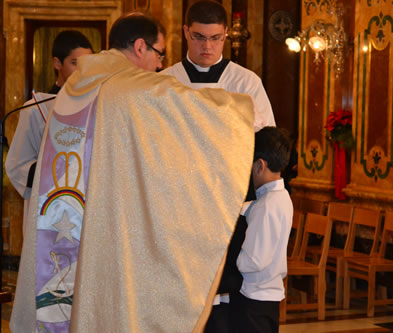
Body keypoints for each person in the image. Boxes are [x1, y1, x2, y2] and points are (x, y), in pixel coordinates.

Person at [10, 13, 255, 333]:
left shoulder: (79, 86)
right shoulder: (129, 87)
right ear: (140, 46)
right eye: (159, 54)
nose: (158, 65)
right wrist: (238, 109)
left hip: (69, 226)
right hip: (109, 229)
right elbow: (194, 112)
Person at [5, 30, 92, 235]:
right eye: (74, 62)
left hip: (85, 211)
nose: (83, 71)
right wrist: (60, 168)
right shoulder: (36, 108)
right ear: (57, 63)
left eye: (88, 64)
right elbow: (18, 166)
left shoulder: (96, 106)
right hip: (48, 210)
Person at [161, 0, 275, 132]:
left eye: (215, 37)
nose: (207, 46)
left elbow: (268, 143)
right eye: (199, 37)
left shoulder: (246, 82)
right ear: (186, 32)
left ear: (225, 33)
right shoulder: (164, 82)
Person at [230, 127, 293, 333]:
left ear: (260, 165)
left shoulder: (266, 204)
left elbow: (254, 260)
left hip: (254, 299)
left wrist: (233, 260)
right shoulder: (282, 197)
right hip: (270, 296)